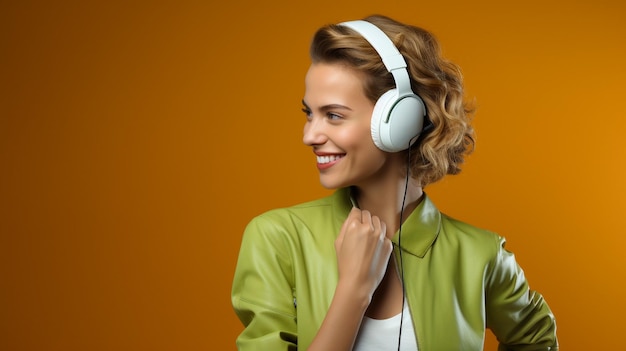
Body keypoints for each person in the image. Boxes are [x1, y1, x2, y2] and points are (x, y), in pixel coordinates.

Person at [231, 14, 558, 351]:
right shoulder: (278, 238)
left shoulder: (481, 255)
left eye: (334, 115)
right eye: (309, 114)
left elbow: (535, 339)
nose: (309, 135)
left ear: (400, 119)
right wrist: (354, 290)